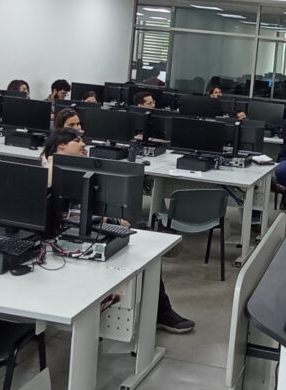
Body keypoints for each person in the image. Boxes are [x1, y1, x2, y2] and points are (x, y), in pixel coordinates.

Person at [41, 127, 195, 334]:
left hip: (86, 222)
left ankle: (160, 305)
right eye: (77, 140)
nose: (84, 144)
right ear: (61, 145)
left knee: (139, 234)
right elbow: (62, 212)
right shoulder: (51, 170)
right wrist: (111, 218)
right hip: (66, 229)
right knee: (141, 240)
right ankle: (161, 308)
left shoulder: (71, 166)